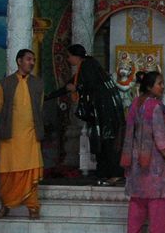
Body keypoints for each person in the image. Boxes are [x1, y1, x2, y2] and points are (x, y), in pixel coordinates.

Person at [54, 44, 126, 185]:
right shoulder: (88, 66)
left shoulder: (88, 65)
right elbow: (71, 86)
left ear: (76, 56)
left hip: (103, 113)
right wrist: (50, 96)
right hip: (102, 113)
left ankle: (112, 173)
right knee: (103, 142)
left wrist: (76, 88)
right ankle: (105, 173)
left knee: (106, 142)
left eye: (69, 56)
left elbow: (89, 85)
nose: (68, 60)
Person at [121, 71, 165, 233]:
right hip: (153, 161)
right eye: (159, 83)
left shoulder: (135, 104)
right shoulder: (155, 107)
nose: (163, 87)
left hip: (136, 160)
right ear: (150, 87)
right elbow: (159, 137)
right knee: (158, 201)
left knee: (137, 200)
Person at [0, 49, 45, 220]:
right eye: (29, 59)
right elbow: (0, 107)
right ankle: (6, 205)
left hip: (30, 135)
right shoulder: (5, 83)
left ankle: (32, 207)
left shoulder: (38, 84)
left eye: (34, 60)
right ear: (19, 61)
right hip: (10, 136)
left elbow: (40, 107)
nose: (32, 63)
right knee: (8, 171)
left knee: (30, 171)